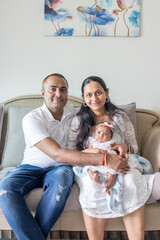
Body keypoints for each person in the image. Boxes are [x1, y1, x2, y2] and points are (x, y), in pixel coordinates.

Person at [0, 73, 130, 240]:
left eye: (63, 90)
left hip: (60, 169)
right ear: (43, 93)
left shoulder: (76, 115)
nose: (58, 94)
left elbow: (98, 129)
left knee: (62, 180)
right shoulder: (32, 119)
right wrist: (104, 159)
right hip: (30, 167)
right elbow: (57, 154)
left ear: (67, 93)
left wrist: (122, 145)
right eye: (52, 89)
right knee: (4, 189)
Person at [68, 76, 160, 240]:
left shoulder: (120, 117)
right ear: (83, 98)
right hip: (89, 165)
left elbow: (135, 147)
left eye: (98, 93)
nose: (94, 98)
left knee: (131, 179)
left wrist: (125, 147)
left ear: (106, 93)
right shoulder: (77, 121)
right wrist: (92, 153)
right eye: (89, 95)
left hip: (119, 161)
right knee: (92, 185)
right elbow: (70, 154)